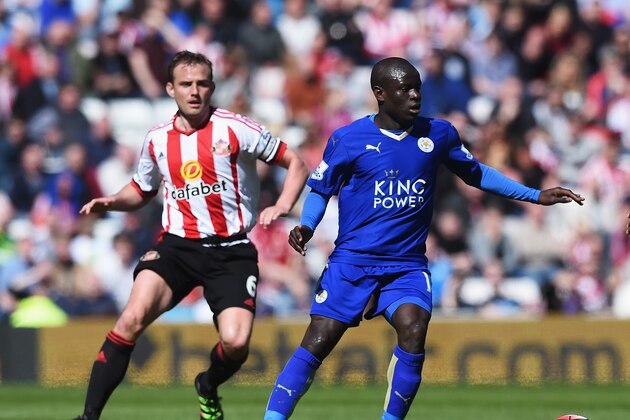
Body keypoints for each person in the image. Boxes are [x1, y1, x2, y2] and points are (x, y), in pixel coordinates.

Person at [263, 57, 584, 420]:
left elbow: (476, 173)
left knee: (414, 328)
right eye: (406, 89)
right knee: (319, 340)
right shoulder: (349, 139)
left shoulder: (439, 133)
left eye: (418, 87)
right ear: (380, 94)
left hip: (406, 264)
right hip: (353, 261)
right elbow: (321, 189)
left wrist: (535, 195)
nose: (415, 95)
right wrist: (307, 225)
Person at [74, 50, 309, 420]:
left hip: (231, 251)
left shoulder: (236, 128)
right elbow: (143, 188)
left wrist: (282, 204)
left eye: (202, 83)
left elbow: (296, 162)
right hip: (177, 248)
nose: (195, 91)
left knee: (235, 343)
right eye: (186, 84)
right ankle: (87, 418)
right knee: (131, 318)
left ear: (212, 87)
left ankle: (207, 385)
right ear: (171, 89)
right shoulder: (156, 139)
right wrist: (112, 202)